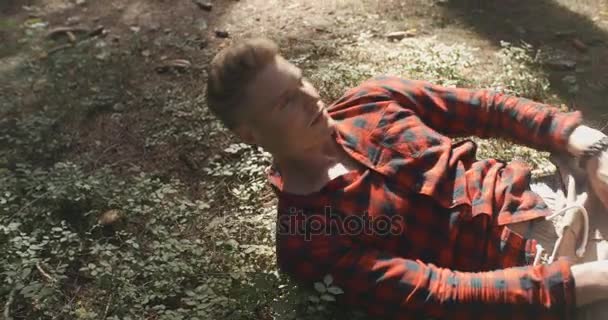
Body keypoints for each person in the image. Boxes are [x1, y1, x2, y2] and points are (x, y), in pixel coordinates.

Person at [205, 38, 608, 320]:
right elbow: (442, 297)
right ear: (251, 134)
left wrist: (591, 148)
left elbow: (488, 109)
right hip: (552, 275)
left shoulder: (372, 101)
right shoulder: (307, 238)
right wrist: (587, 279)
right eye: (286, 101)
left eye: (301, 81)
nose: (311, 97)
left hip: (560, 192)